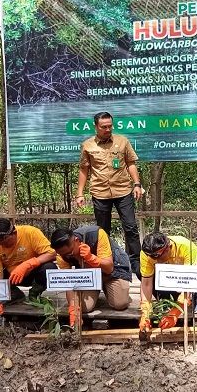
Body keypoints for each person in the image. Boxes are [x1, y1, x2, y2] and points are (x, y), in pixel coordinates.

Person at [75, 112, 143, 278]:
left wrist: (137, 184)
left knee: (131, 227)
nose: (107, 129)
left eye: (110, 126)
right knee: (102, 231)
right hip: (100, 192)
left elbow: (131, 163)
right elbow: (84, 169)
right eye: (103, 127)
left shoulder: (122, 141)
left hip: (123, 190)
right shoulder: (87, 145)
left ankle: (136, 263)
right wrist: (79, 193)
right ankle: (107, 262)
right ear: (96, 127)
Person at [138, 232, 197, 333]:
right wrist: (145, 313)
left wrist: (175, 313)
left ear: (168, 247)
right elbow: (146, 283)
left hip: (193, 281)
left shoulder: (185, 246)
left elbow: (190, 282)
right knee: (143, 273)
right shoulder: (147, 254)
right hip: (170, 281)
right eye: (152, 257)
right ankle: (169, 301)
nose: (154, 259)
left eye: (157, 256)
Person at [49, 225, 132, 329]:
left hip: (111, 272)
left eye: (70, 253)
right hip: (88, 277)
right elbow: (68, 282)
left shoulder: (97, 234)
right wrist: (73, 309)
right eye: (63, 254)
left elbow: (109, 268)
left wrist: (91, 258)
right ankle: (97, 291)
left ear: (76, 240)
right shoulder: (61, 255)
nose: (68, 256)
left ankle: (115, 289)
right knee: (83, 307)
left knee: (120, 304)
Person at [0, 219, 56, 304]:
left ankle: (34, 294)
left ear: (14, 233)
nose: (4, 246)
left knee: (50, 268)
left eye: (6, 242)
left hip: (32, 274)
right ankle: (13, 292)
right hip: (10, 276)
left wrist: (28, 264)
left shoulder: (30, 233)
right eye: (0, 244)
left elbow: (52, 253)